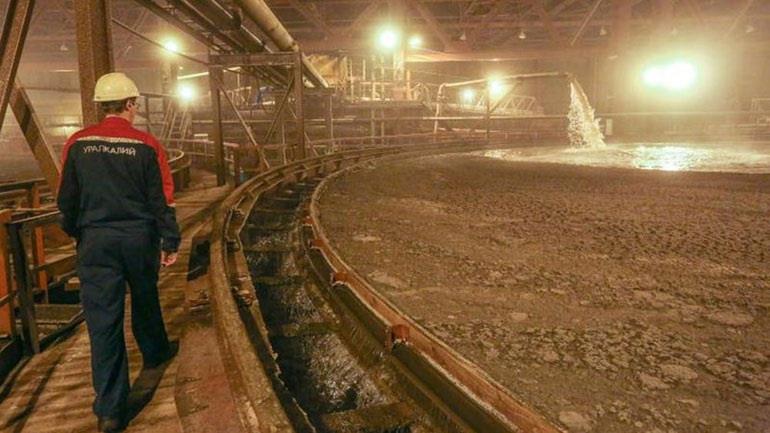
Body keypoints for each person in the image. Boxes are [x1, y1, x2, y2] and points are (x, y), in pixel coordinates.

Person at [57, 72, 180, 432]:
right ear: (129, 104)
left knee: (103, 322)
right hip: (138, 239)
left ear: (101, 105)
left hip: (96, 241)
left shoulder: (78, 143)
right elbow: (162, 199)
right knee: (144, 297)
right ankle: (155, 353)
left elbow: (66, 198)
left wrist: (78, 232)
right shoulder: (147, 145)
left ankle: (110, 411)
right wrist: (170, 240)